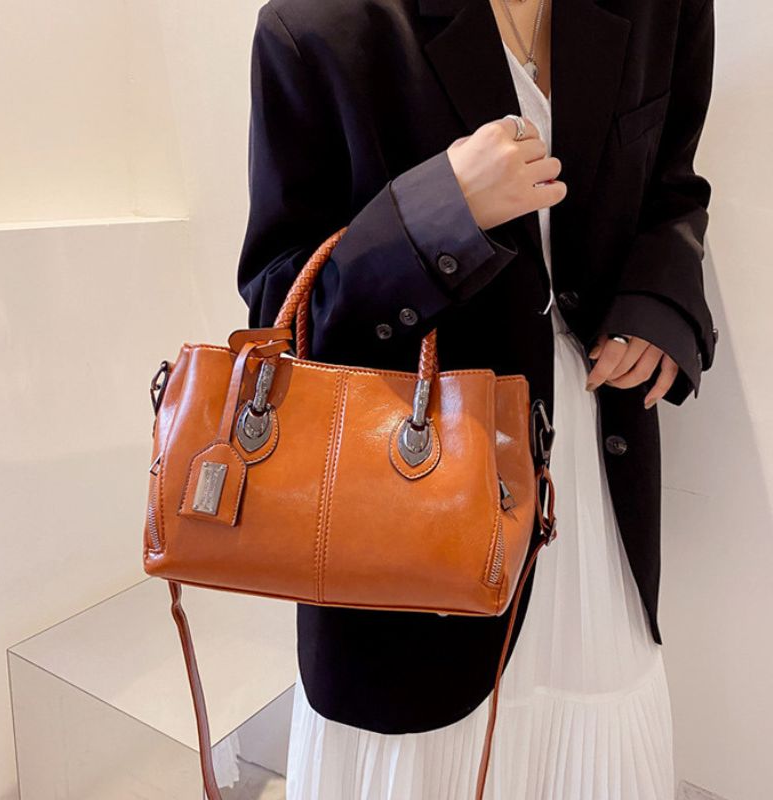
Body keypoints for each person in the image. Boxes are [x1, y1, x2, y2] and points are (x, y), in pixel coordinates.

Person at [237, 0, 718, 796]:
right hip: (408, 513)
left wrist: (660, 303)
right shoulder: (320, 24)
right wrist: (435, 216)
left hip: (591, 501)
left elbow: (672, 189)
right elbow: (281, 316)